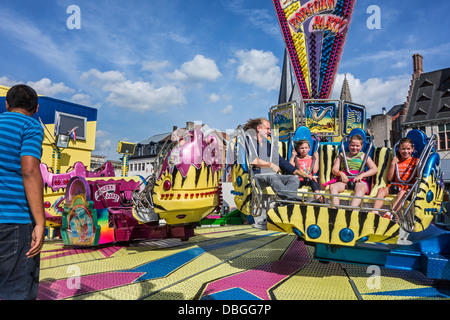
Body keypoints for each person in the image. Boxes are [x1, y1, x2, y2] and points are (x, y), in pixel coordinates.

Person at [0, 85, 45, 300]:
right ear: (36, 108)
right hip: (14, 221)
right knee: (16, 290)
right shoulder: (31, 126)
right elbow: (29, 171)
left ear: (7, 104)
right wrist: (40, 222)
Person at [243, 118, 302, 229]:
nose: (270, 131)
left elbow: (282, 162)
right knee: (272, 178)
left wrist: (300, 173)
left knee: (293, 179)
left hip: (270, 176)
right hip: (256, 175)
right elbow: (253, 161)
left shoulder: (268, 145)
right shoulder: (248, 141)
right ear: (258, 128)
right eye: (267, 128)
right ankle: (292, 200)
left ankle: (286, 202)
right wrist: (270, 165)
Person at [324, 134, 378, 207]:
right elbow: (334, 169)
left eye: (357, 146)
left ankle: (353, 210)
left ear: (361, 146)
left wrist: (362, 175)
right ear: (348, 145)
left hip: (358, 179)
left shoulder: (363, 156)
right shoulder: (342, 155)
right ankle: (335, 208)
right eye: (352, 145)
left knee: (361, 188)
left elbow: (374, 169)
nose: (354, 148)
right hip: (345, 179)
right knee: (333, 187)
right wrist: (341, 174)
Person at [371, 137, 419, 219]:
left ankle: (390, 214)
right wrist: (393, 164)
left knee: (402, 193)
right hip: (396, 186)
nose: (406, 151)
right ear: (399, 150)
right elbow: (389, 178)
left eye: (408, 149)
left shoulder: (415, 161)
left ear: (412, 149)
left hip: (408, 188)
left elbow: (419, 177)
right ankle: (375, 211)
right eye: (403, 149)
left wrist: (418, 166)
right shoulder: (396, 161)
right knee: (381, 190)